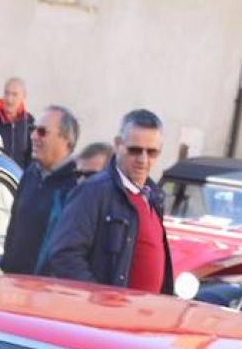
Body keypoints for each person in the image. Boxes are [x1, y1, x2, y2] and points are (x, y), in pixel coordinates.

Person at [38, 109, 175, 295]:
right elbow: (64, 254)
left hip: (146, 318)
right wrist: (100, 299)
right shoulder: (94, 192)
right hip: (109, 317)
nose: (143, 159)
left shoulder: (153, 197)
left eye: (151, 152)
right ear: (118, 145)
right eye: (134, 150)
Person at [0, 105, 82, 276]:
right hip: (13, 284)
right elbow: (14, 225)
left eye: (42, 132)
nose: (33, 136)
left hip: (46, 290)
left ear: (66, 140)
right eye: (32, 129)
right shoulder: (31, 173)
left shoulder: (76, 186)